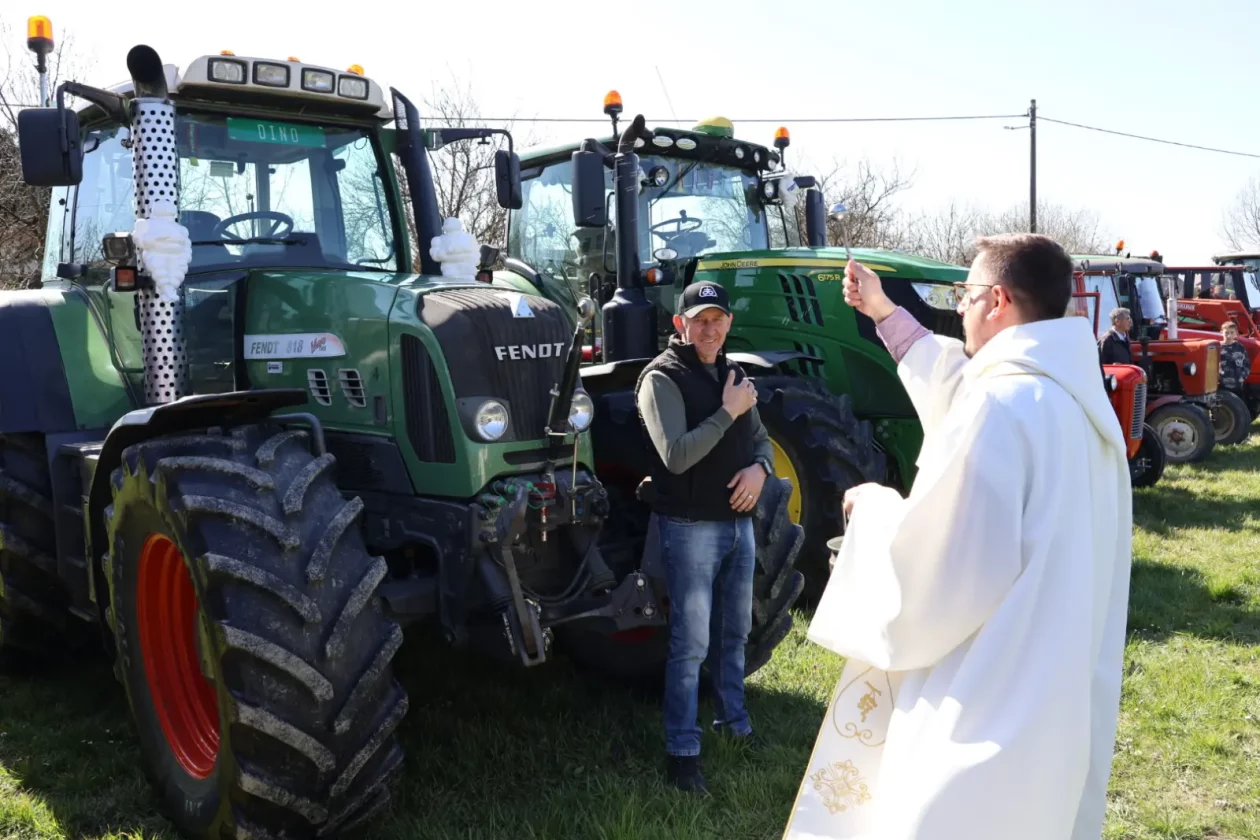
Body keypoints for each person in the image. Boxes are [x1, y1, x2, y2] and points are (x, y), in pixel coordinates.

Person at [802, 234, 1133, 839]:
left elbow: (941, 567)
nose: (959, 306)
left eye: (966, 292)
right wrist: (880, 309)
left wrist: (874, 511)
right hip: (1056, 691)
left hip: (986, 697)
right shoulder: (1078, 404)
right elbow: (954, 384)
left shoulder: (1000, 405)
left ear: (997, 300)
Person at [634, 280, 776, 793]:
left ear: (729, 323)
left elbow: (760, 440)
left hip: (739, 525)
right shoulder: (661, 379)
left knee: (734, 634)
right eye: (699, 321)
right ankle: (682, 750)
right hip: (691, 526)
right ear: (681, 324)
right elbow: (676, 456)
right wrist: (727, 412)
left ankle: (734, 723)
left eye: (717, 320)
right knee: (691, 644)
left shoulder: (733, 374)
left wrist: (761, 469)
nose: (709, 329)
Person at [1219, 320, 1251, 398]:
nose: (1229, 336)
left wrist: (1242, 377)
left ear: (1236, 333)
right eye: (1226, 333)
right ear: (1221, 332)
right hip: (1222, 386)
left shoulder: (1240, 347)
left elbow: (1246, 364)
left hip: (1238, 385)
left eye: (1232, 332)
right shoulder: (1218, 347)